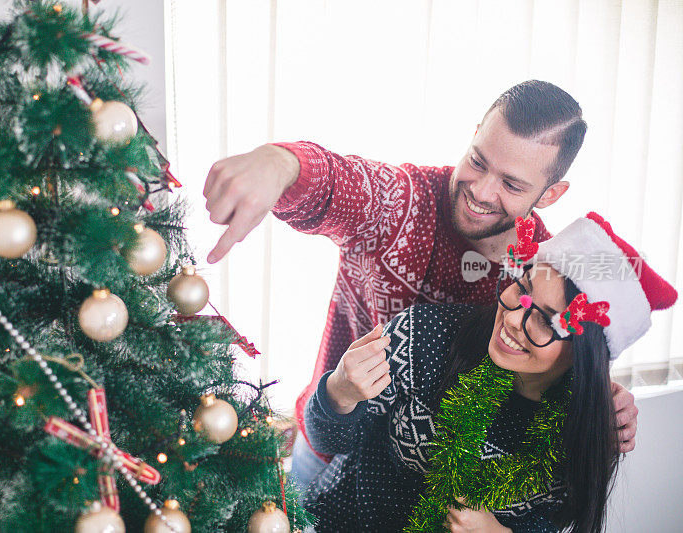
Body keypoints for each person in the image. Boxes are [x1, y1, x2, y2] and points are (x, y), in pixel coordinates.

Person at [201, 80, 640, 488]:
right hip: (327, 435)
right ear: (473, 136)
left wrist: (605, 402)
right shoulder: (404, 202)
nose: (482, 191)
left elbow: (556, 374)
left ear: (551, 194)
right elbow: (344, 183)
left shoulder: (545, 274)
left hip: (417, 485)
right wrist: (279, 164)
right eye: (478, 161)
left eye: (511, 183)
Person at [302, 213, 677, 532]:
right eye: (522, 289)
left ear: (584, 356)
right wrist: (339, 392)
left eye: (546, 321)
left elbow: (554, 521)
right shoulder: (426, 335)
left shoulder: (587, 432)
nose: (513, 319)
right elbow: (328, 441)